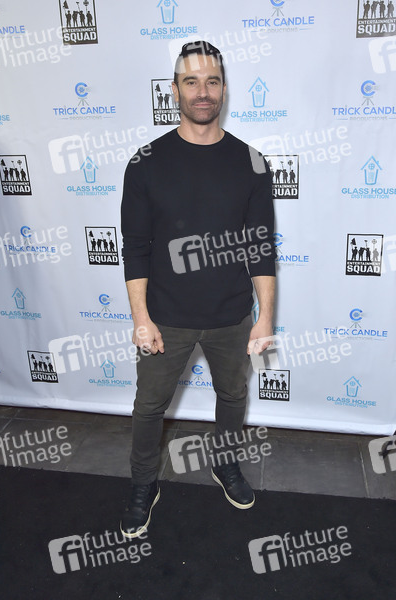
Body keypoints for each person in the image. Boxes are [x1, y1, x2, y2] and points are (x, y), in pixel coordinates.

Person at [120, 41, 276, 539]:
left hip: (232, 316)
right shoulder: (145, 162)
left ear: (224, 89)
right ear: (174, 90)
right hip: (165, 317)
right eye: (191, 82)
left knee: (233, 396)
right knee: (149, 408)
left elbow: (261, 248)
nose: (202, 92)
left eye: (212, 81)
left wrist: (265, 317)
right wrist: (141, 318)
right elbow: (135, 248)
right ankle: (143, 483)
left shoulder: (252, 162)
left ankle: (224, 463)